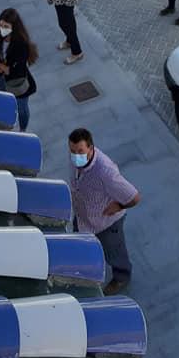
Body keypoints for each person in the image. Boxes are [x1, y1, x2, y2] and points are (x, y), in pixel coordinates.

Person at [68, 127, 141, 296]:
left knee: (114, 252)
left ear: (91, 148)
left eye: (80, 151)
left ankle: (122, 277)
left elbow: (134, 197)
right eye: (72, 151)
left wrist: (121, 205)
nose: (75, 156)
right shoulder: (76, 158)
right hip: (84, 216)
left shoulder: (105, 172)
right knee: (81, 244)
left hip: (105, 223)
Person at [0, 9, 37, 132]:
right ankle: (8, 123)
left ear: (14, 27)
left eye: (6, 26)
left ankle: (23, 129)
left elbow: (17, 71)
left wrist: (3, 67)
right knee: (3, 103)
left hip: (17, 84)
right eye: (1, 25)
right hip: (1, 79)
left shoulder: (21, 44)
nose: (2, 28)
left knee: (21, 108)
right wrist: (1, 66)